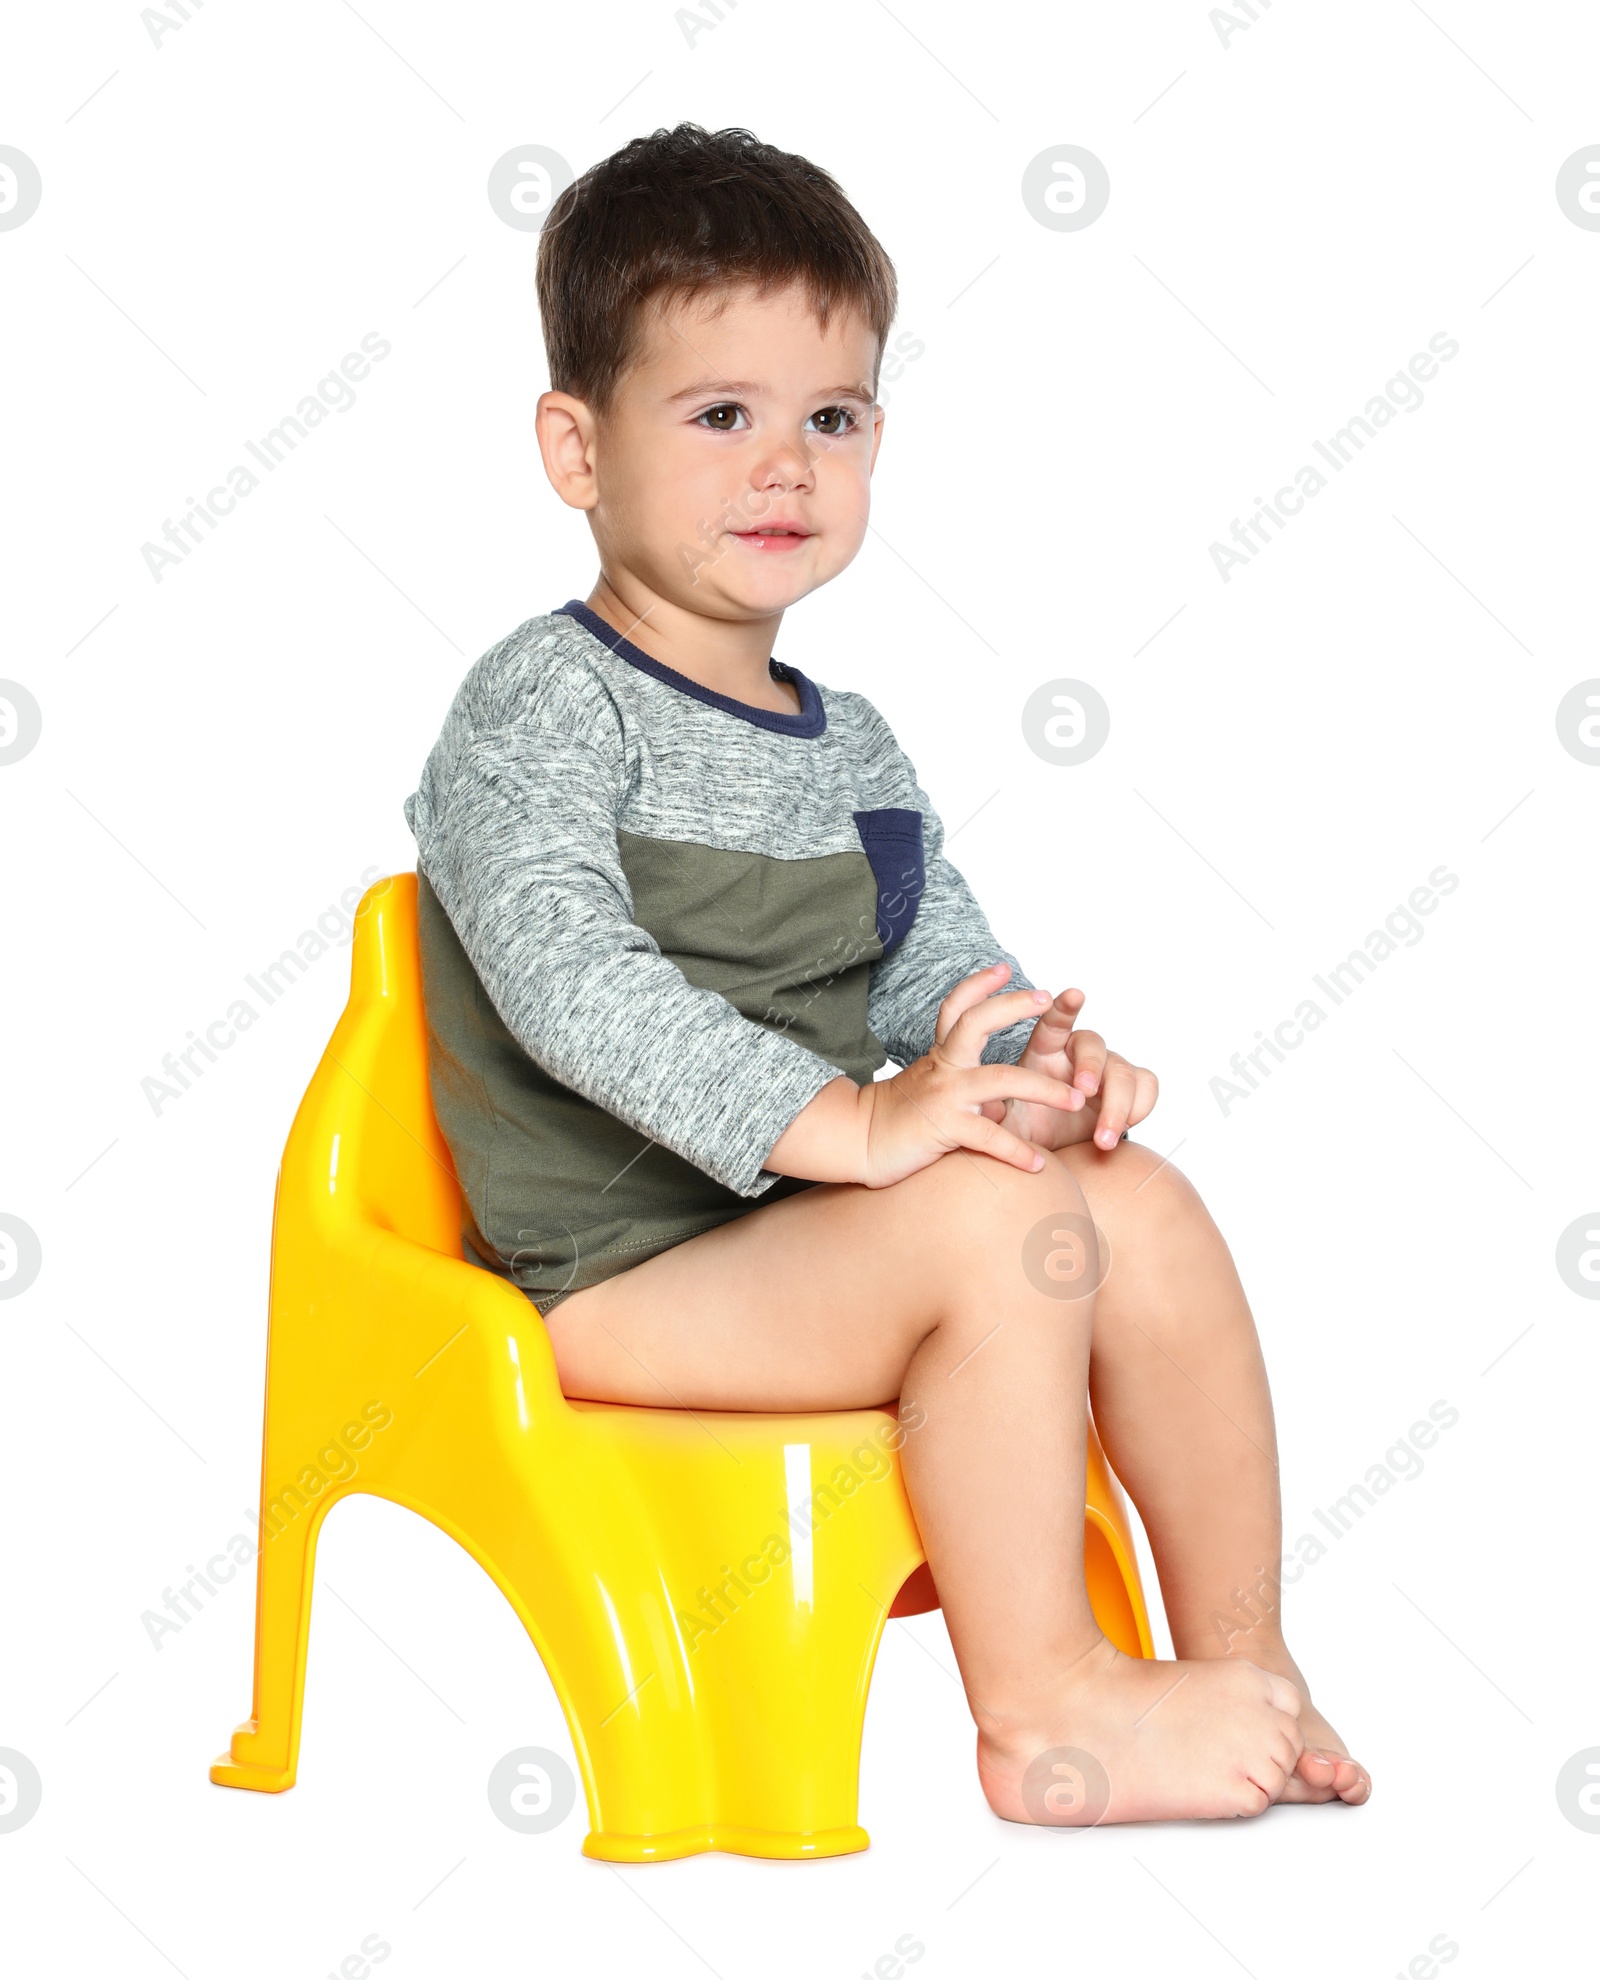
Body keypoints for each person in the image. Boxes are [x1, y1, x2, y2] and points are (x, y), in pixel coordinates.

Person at [402, 122, 1369, 1824]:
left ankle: (1247, 1651)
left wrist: (1032, 1059)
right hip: (619, 1275)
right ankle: (1043, 1706)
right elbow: (571, 983)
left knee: (1130, 1199)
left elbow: (934, 959)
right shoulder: (539, 709)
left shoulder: (852, 739)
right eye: (721, 416)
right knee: (999, 1222)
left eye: (829, 420)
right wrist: (850, 1123)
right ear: (575, 446)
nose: (785, 466)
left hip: (814, 1238)